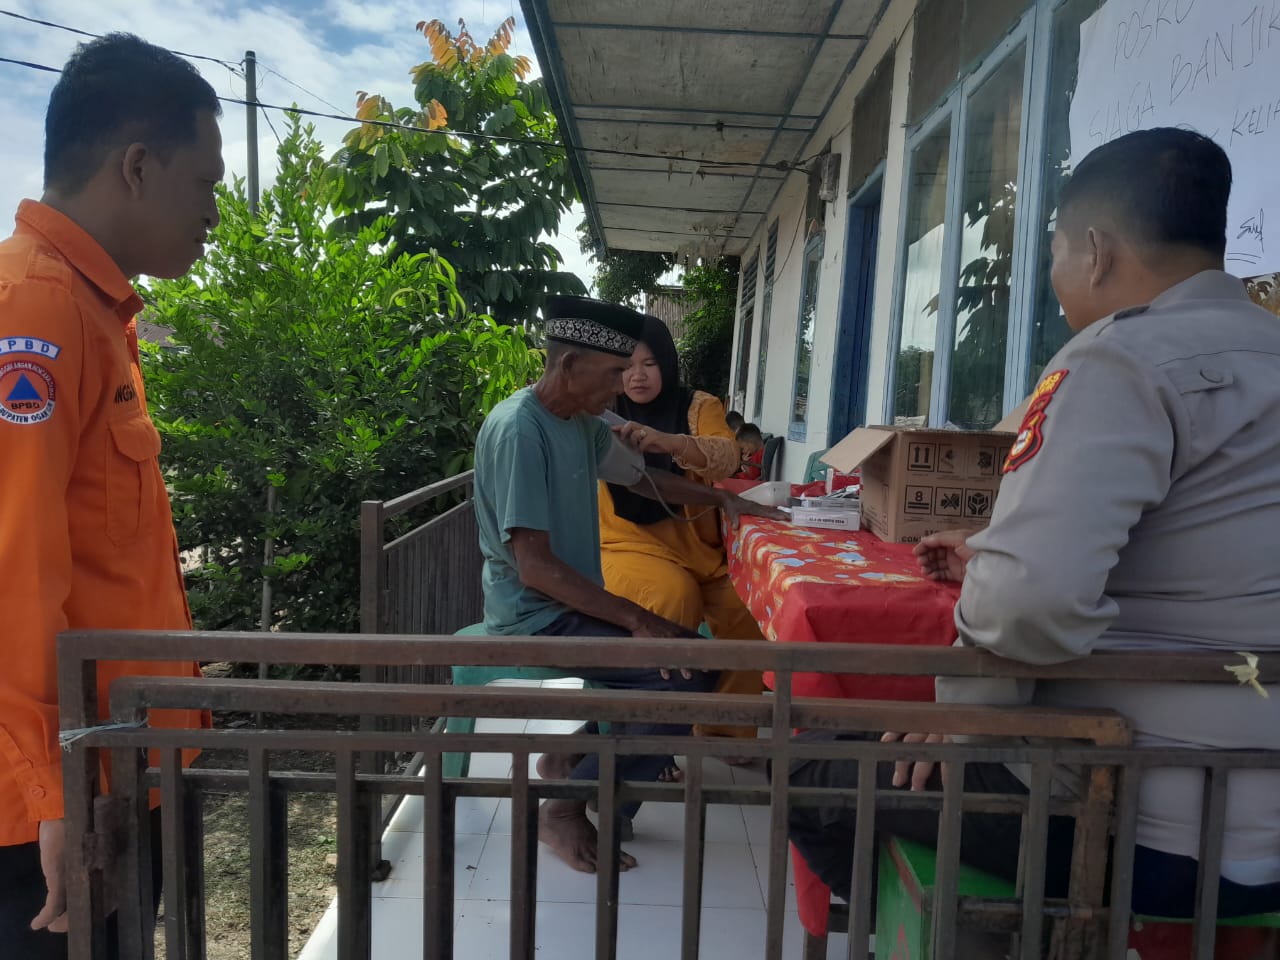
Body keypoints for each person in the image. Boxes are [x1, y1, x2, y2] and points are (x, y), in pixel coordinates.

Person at [788, 128, 1280, 920]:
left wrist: (966, 718)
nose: (1054, 282)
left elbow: (1028, 603)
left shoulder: (1117, 359)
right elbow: (1208, 549)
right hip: (1262, 825)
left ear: (1094, 250)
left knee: (805, 765)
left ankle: (950, 930)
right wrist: (990, 550)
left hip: (1138, 825)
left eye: (1051, 255)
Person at [0, 34, 222, 957]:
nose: (215, 212)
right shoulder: (36, 311)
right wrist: (52, 788)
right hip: (66, 795)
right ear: (137, 166)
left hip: (119, 764)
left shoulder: (94, 310)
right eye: (207, 182)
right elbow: (12, 566)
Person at [473, 295, 778, 874]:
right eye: (613, 373)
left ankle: (571, 756)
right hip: (532, 611)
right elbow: (533, 566)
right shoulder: (520, 429)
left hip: (568, 602)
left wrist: (720, 498)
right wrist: (637, 618)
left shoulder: (579, 423)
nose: (622, 388)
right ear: (568, 368)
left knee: (697, 665)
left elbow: (641, 483)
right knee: (681, 680)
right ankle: (562, 810)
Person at [600, 316, 767, 742]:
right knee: (672, 597)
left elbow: (728, 459)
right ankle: (651, 742)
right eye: (627, 366)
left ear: (669, 365)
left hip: (702, 552)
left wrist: (668, 441)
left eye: (650, 364)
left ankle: (720, 730)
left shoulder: (698, 406)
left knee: (751, 611)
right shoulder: (601, 407)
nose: (636, 376)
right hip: (626, 545)